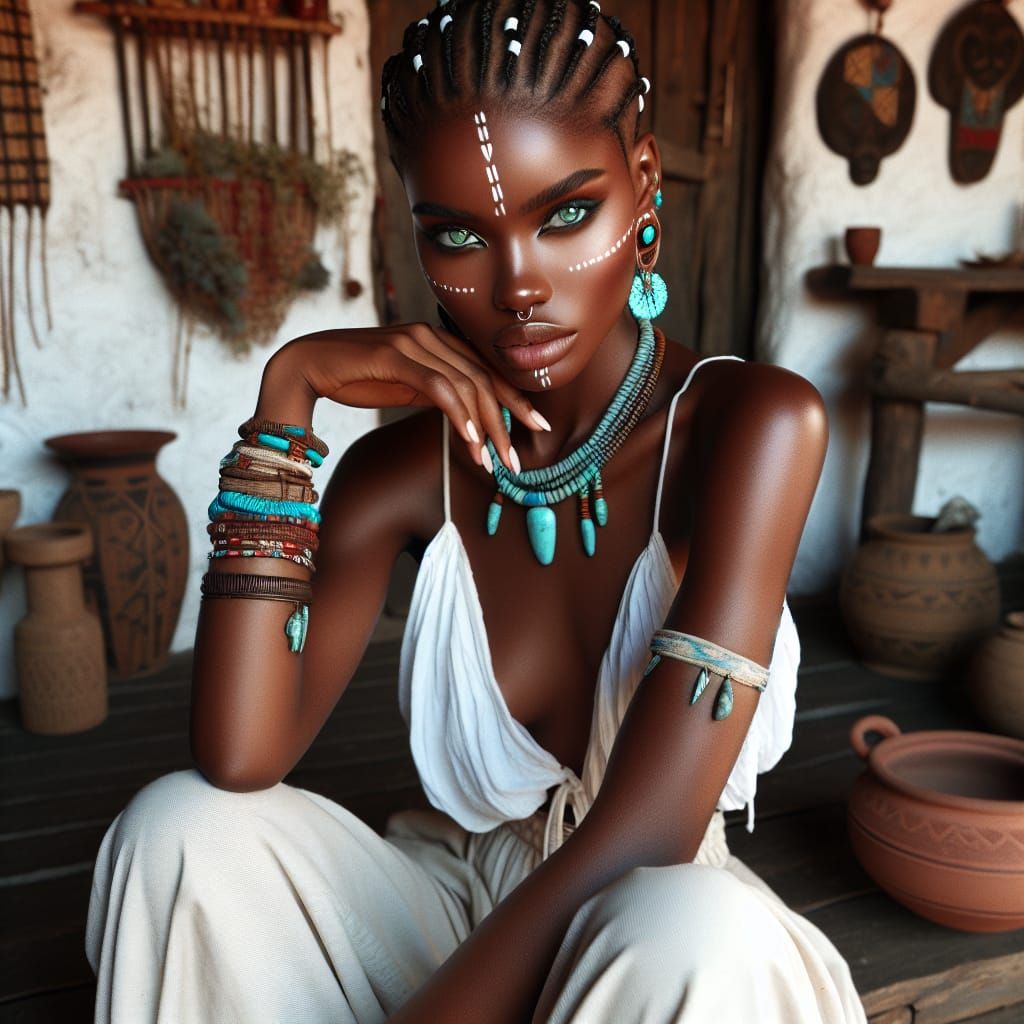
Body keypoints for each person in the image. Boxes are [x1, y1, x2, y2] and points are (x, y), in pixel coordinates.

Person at [85, 2, 868, 1021]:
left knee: (701, 932)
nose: (516, 286)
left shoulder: (748, 425)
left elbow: (646, 830)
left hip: (633, 939)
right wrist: (287, 392)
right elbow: (242, 754)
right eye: (456, 235)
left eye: (565, 215)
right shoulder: (402, 474)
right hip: (446, 904)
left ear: (643, 184)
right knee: (179, 827)